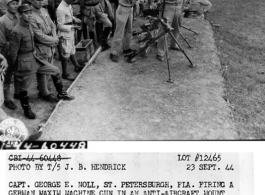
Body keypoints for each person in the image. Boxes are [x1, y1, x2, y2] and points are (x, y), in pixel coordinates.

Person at [9, 4, 75, 119]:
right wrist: (15, 67)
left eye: (30, 13)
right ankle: (27, 110)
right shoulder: (16, 31)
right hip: (24, 62)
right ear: (20, 15)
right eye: (26, 13)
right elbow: (13, 52)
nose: (29, 15)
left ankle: (62, 93)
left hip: (35, 57)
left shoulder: (28, 25)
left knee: (54, 70)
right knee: (24, 89)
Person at [0, 0, 21, 110]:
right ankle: (7, 99)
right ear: (7, 5)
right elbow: (2, 41)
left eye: (17, 3)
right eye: (13, 3)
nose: (15, 6)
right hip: (7, 51)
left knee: (18, 72)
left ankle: (17, 93)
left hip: (19, 50)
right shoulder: (2, 20)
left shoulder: (19, 17)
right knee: (7, 77)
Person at [56, 0, 84, 81]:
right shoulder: (61, 9)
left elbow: (69, 17)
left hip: (70, 32)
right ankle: (65, 73)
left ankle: (76, 65)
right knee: (66, 54)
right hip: (65, 34)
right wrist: (73, 27)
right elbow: (60, 26)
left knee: (72, 49)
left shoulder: (68, 5)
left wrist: (75, 19)